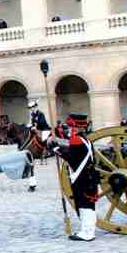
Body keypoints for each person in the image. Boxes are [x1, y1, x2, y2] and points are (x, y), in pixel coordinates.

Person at [49, 114, 98, 242]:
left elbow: (71, 158)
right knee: (89, 204)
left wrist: (55, 149)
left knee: (83, 204)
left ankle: (87, 233)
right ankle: (88, 230)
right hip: (89, 176)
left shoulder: (76, 140)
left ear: (76, 127)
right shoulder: (86, 140)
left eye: (71, 126)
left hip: (81, 177)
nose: (70, 129)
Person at [26, 98, 52, 192]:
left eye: (32, 107)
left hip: (44, 129)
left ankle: (46, 151)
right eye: (30, 108)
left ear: (35, 107)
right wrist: (30, 125)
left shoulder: (40, 114)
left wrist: (36, 125)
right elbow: (32, 122)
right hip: (36, 129)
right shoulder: (32, 114)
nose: (31, 109)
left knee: (43, 139)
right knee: (29, 134)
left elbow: (42, 123)